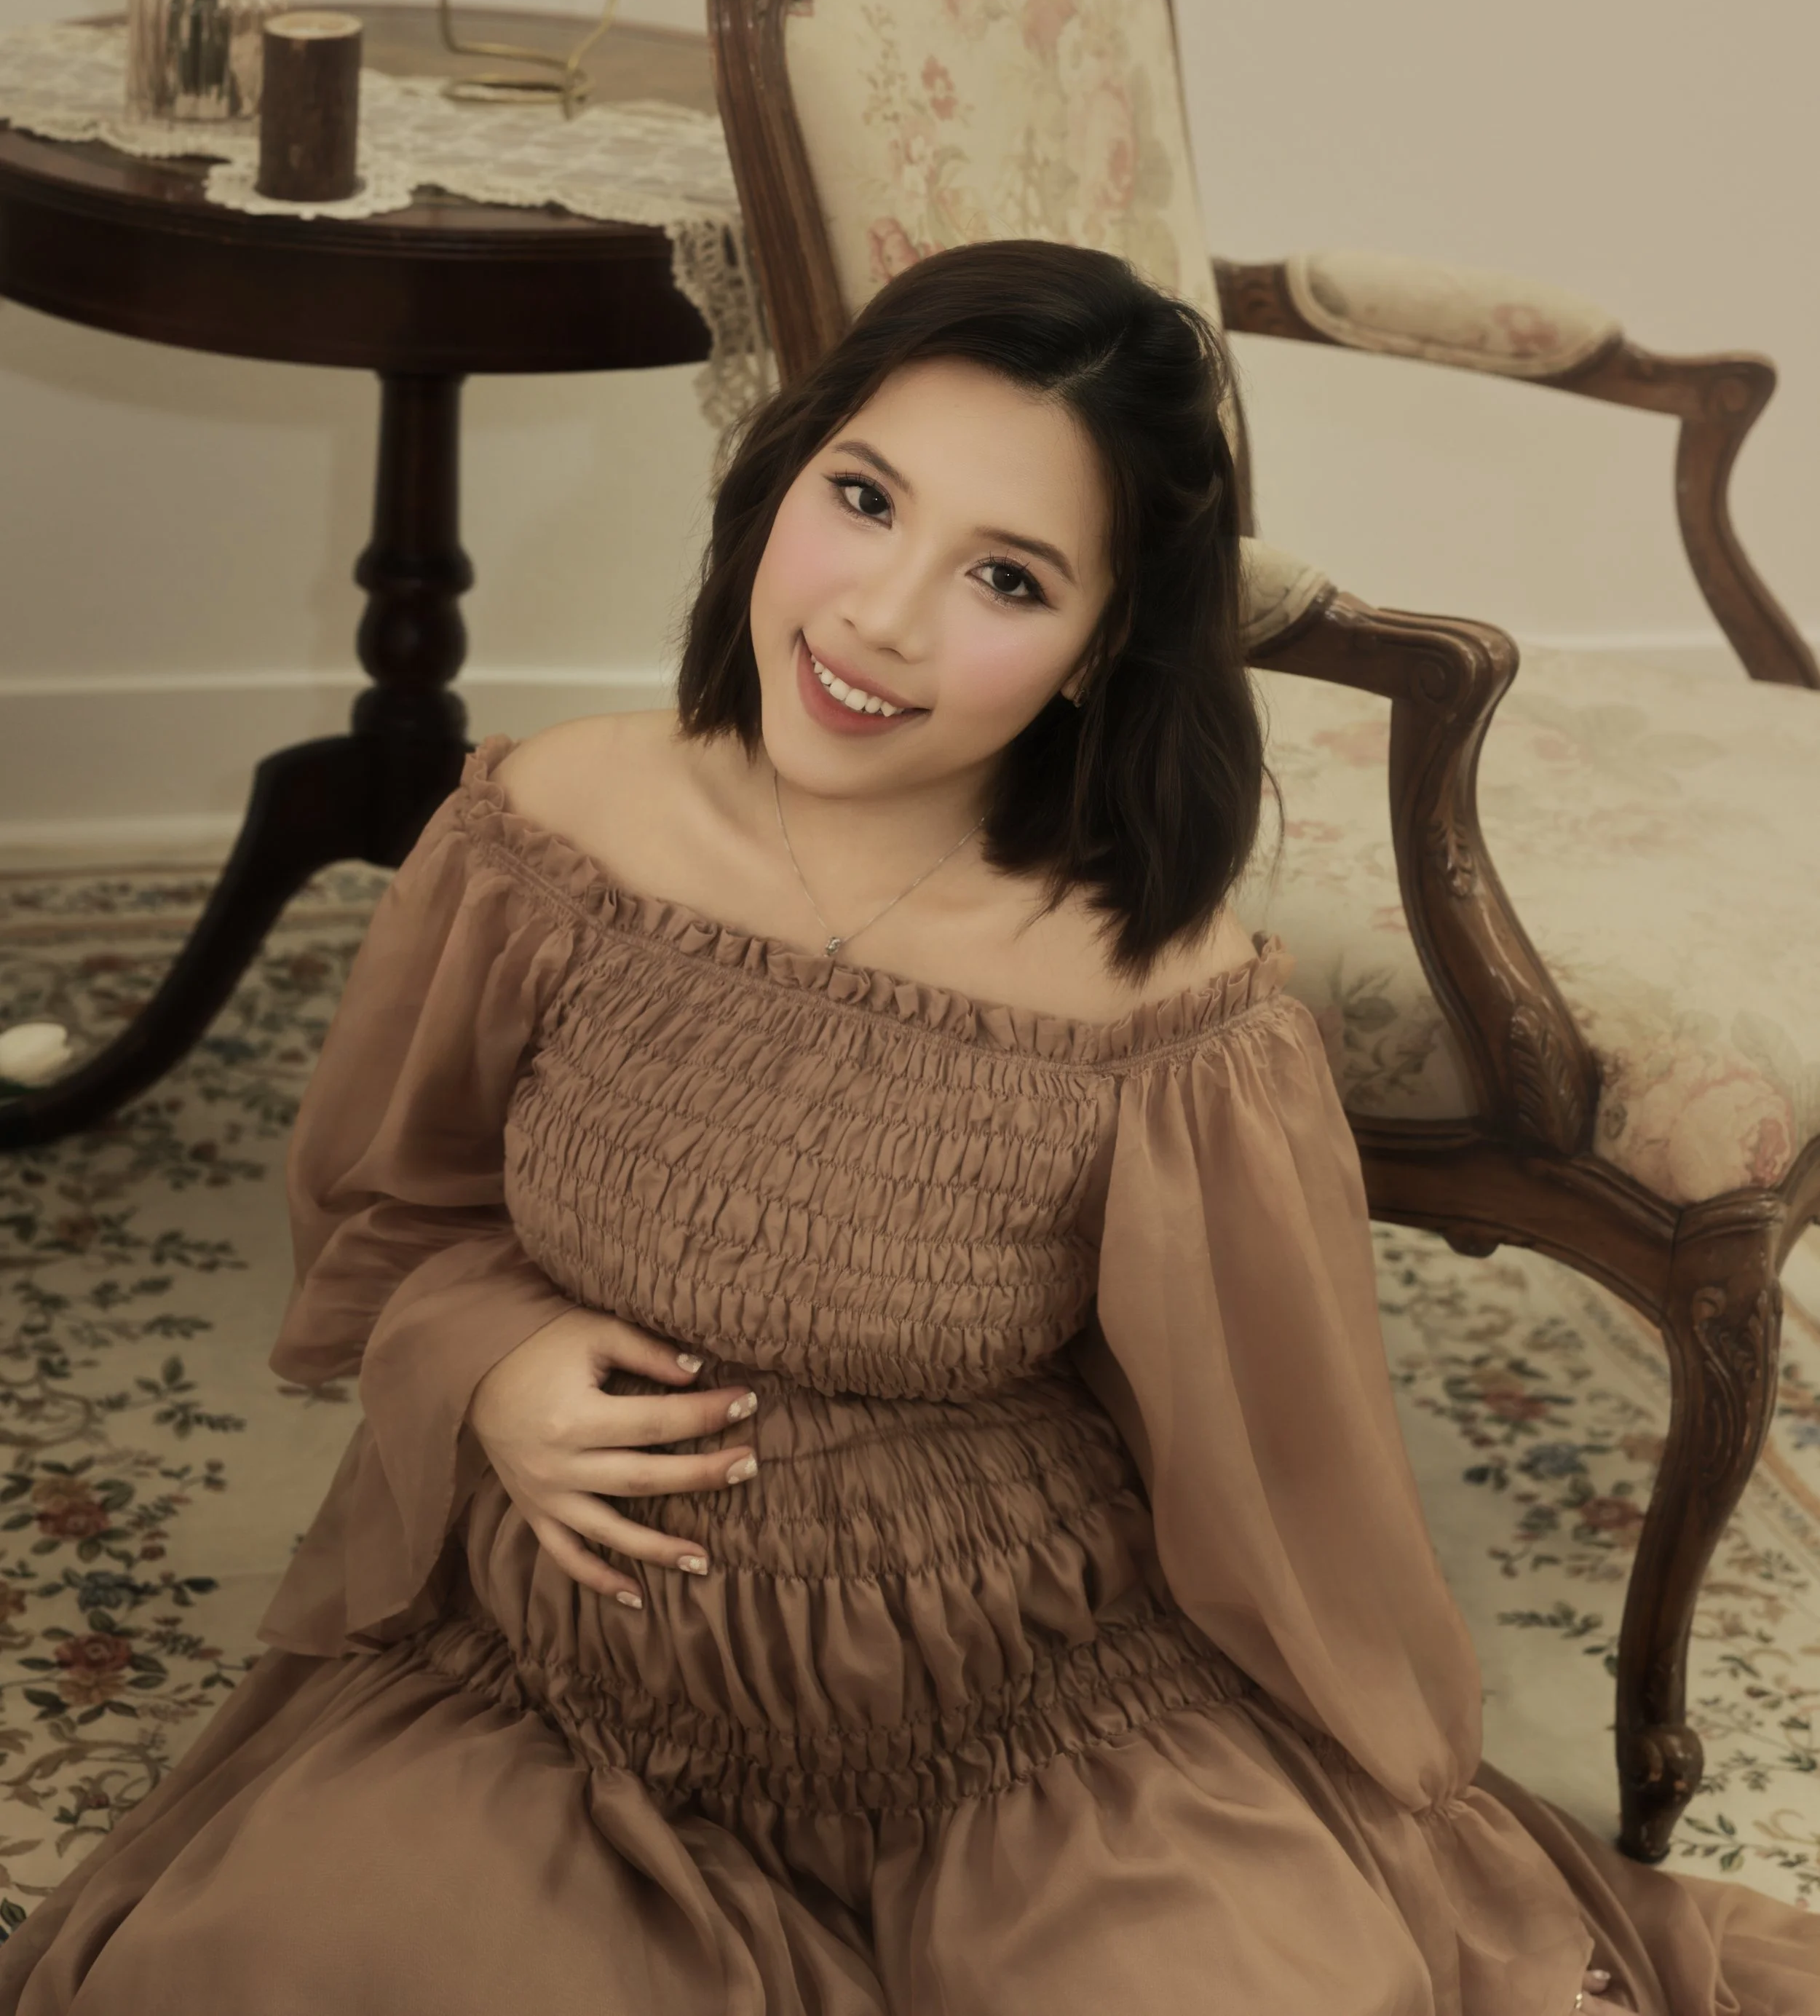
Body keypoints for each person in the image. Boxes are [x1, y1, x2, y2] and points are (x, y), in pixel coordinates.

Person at [1, 240, 1812, 2015]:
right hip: (565, 1697)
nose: (877, 615)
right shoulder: (549, 829)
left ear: (1106, 644)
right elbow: (390, 1211)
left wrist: (1379, 1810)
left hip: (1014, 1711)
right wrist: (486, 1363)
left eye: (1008, 579)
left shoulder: (1159, 998)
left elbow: (1283, 1466)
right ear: (781, 472)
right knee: (284, 1978)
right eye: (863, 498)